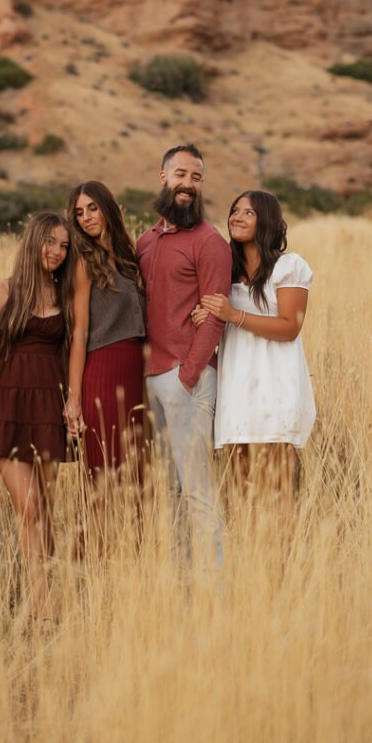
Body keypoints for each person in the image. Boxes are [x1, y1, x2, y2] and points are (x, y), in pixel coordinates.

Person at [0, 212, 75, 620]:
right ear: (33, 241)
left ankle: (42, 598)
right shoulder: (4, 292)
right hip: (9, 405)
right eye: (50, 242)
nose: (57, 251)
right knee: (29, 507)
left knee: (45, 509)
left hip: (49, 405)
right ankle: (42, 601)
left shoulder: (65, 294)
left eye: (64, 246)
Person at [137, 144, 231, 569]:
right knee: (169, 490)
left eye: (196, 178)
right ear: (163, 178)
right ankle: (181, 585)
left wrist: (188, 376)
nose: (188, 185)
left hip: (186, 380)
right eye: (180, 175)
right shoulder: (145, 241)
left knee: (197, 489)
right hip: (150, 380)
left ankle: (214, 589)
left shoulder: (210, 242)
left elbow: (215, 315)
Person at [195, 190, 316, 506]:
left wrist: (233, 315)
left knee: (277, 495)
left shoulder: (288, 267)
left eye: (248, 212)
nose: (237, 216)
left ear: (267, 220)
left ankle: (282, 557)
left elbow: (290, 326)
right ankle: (255, 556)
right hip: (235, 394)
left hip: (275, 392)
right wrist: (205, 318)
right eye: (235, 210)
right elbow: (223, 328)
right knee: (243, 495)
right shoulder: (225, 273)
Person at [65, 181, 146, 485]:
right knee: (104, 471)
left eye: (92, 208)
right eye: (79, 213)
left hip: (137, 375)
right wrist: (73, 399)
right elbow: (79, 332)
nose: (86, 217)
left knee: (137, 472)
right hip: (103, 372)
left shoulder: (129, 259)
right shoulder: (83, 262)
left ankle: (133, 536)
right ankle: (98, 535)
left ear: (107, 208)